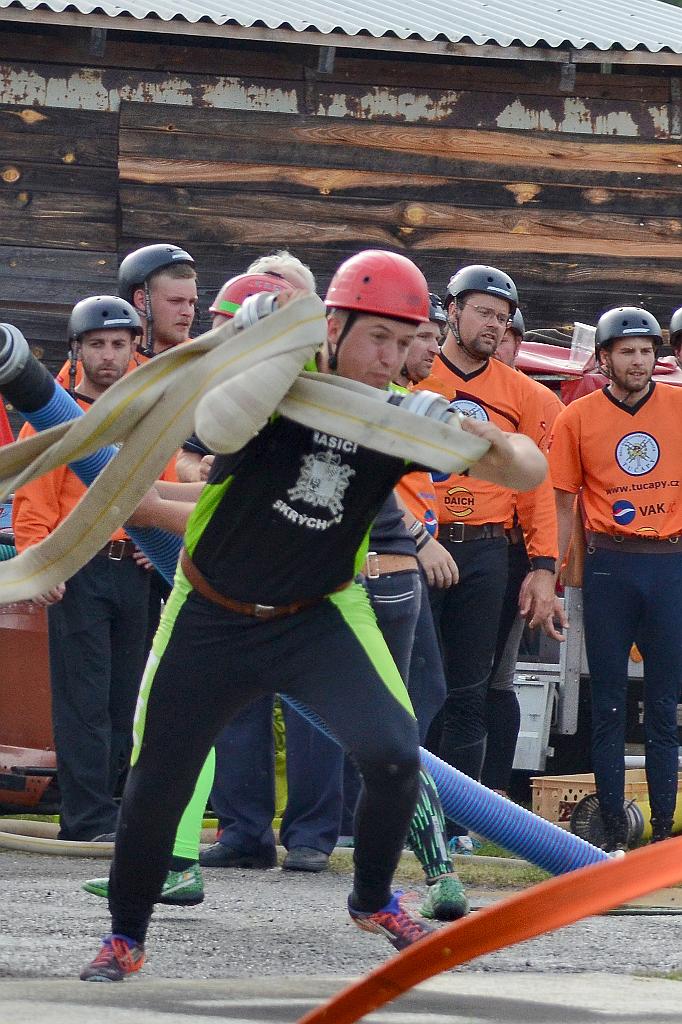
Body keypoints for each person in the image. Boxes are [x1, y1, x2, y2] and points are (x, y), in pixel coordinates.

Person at [79, 248, 546, 981]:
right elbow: (219, 429)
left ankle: (371, 898)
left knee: (395, 755)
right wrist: (267, 344)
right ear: (333, 326)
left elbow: (527, 470)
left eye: (403, 341)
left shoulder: (397, 419)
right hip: (213, 612)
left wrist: (497, 445)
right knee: (158, 780)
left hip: (317, 616)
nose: (388, 358)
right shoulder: (274, 389)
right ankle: (125, 937)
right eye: (376, 337)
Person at [402, 265, 564, 852]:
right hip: (419, 543)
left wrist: (543, 566)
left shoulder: (529, 396)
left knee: (469, 691)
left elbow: (537, 487)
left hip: (488, 549)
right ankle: (402, 814)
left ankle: (455, 825)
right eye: (483, 312)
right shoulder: (416, 376)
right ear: (452, 311)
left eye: (502, 316)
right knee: (413, 689)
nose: (493, 324)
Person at [12, 297, 152, 841]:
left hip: (135, 570)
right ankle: (87, 819)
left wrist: (161, 542)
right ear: (77, 349)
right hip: (79, 568)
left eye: (119, 344)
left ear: (134, 347)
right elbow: (33, 500)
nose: (109, 355)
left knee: (126, 701)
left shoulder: (146, 413)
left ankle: (117, 812)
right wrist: (42, 564)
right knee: (84, 701)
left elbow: (161, 484)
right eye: (97, 344)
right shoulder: (53, 415)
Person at [549, 306, 682, 852]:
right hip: (609, 564)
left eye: (647, 351)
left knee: (664, 706)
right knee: (606, 704)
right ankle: (610, 833)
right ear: (604, 358)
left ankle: (662, 834)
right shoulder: (576, 418)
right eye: (627, 351)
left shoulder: (678, 405)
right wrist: (550, 575)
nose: (639, 361)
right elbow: (562, 504)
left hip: (670, 563)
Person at [482, 308, 564, 796]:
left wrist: (543, 567)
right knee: (442, 680)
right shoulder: (440, 385)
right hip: (451, 544)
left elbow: (548, 492)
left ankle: (493, 791)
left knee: (497, 676)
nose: (500, 343)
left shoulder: (536, 400)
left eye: (509, 336)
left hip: (512, 552)